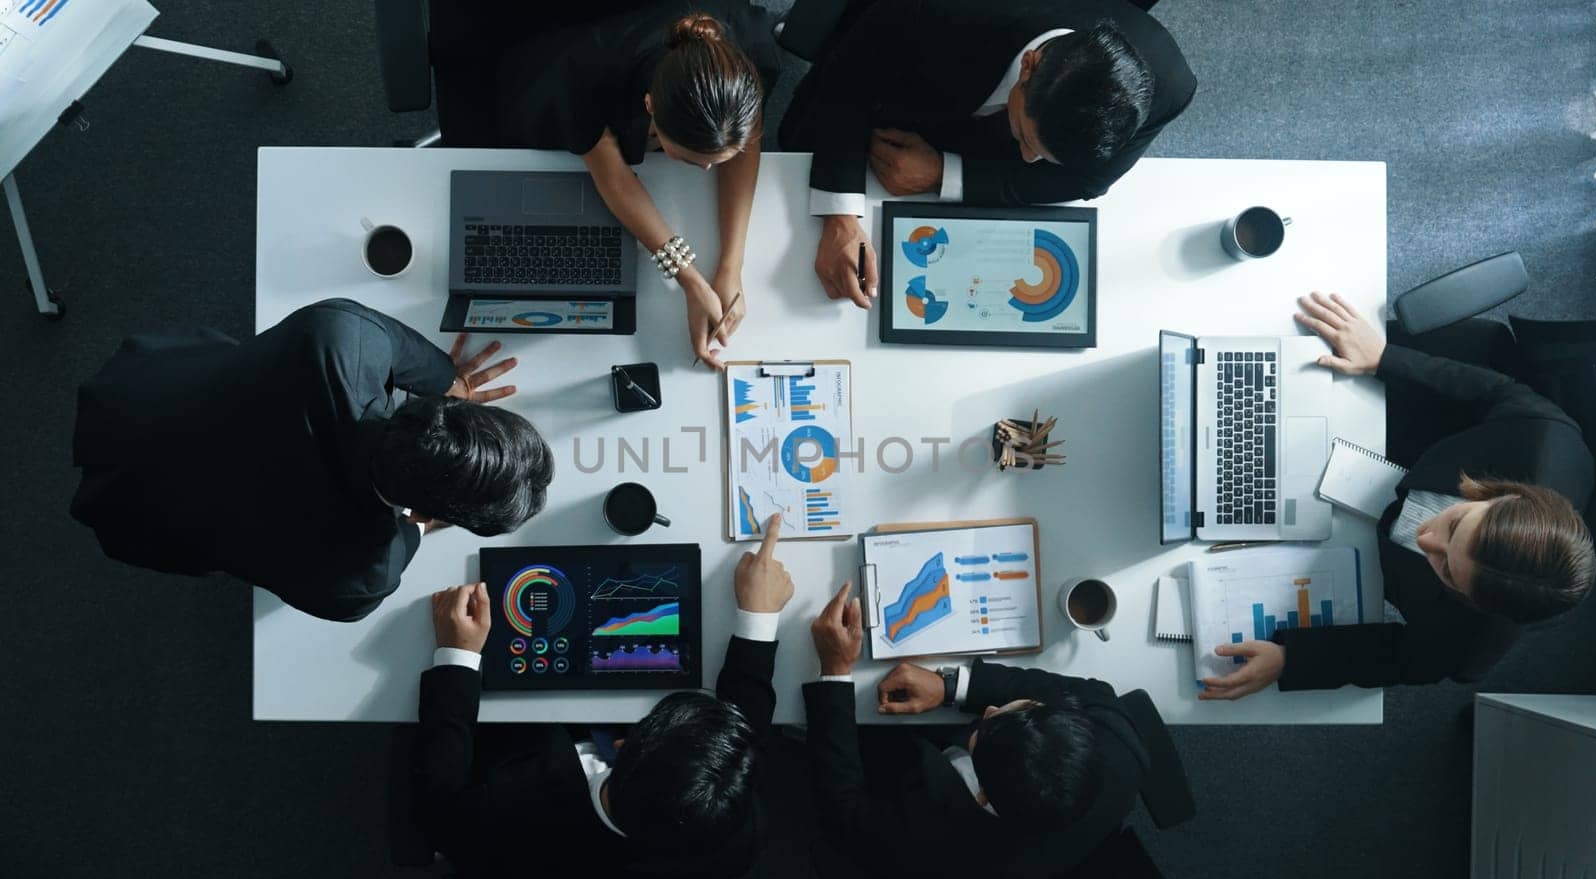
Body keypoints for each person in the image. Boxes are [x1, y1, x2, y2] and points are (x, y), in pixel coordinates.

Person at [1200, 292, 1596, 701]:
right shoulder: (1546, 437)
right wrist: (1384, 358)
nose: (1424, 540)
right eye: (1455, 525)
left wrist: (1291, 659)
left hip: (1349, 545)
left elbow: (1410, 659)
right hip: (1413, 441)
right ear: (1508, 496)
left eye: (1445, 570)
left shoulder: (1474, 640)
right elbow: (1494, 392)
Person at [70, 298, 552, 622]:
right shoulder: (358, 578)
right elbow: (406, 535)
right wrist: (422, 524)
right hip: (136, 513)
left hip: (139, 394)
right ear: (440, 513)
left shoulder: (341, 335)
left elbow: (426, 366)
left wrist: (454, 382)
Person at [413, 516, 792, 879]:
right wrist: (758, 618)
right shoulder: (733, 838)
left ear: (624, 745)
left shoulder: (506, 808)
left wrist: (456, 655)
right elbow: (740, 738)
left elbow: (441, 808)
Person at [780, 0, 1195, 309]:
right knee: (793, 153)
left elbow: (1086, 181)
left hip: (962, 138)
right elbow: (850, 74)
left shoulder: (1169, 85)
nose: (1029, 162)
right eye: (1027, 141)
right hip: (903, 84)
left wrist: (945, 174)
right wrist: (839, 216)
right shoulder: (943, 11)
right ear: (1030, 65)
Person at [802, 582, 1149, 879]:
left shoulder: (924, 846)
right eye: (1022, 707)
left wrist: (834, 671)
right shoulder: (1121, 747)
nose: (990, 709)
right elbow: (1091, 693)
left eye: (983, 731)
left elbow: (843, 808)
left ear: (982, 796)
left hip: (900, 773)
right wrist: (954, 686)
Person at [497, 0, 780, 369]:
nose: (710, 170)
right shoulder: (591, 74)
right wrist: (689, 279)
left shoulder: (753, 58)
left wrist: (731, 266)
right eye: (692, 160)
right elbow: (611, 173)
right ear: (649, 106)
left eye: (717, 158)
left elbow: (747, 143)